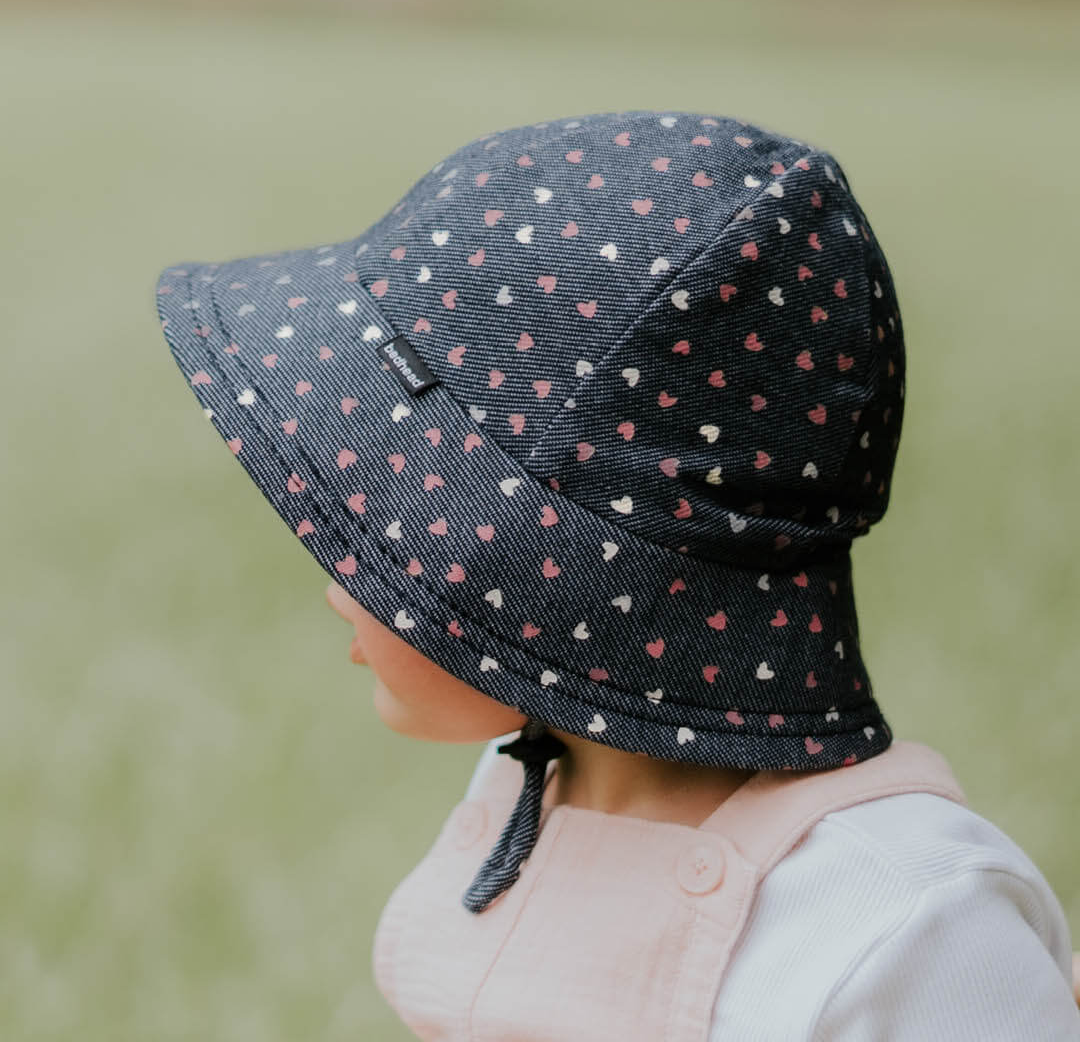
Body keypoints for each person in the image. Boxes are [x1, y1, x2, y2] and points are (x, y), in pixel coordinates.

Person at [154, 110, 1080, 1038]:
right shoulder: (530, 783)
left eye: (385, 537)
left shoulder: (906, 926)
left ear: (553, 582)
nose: (336, 585)